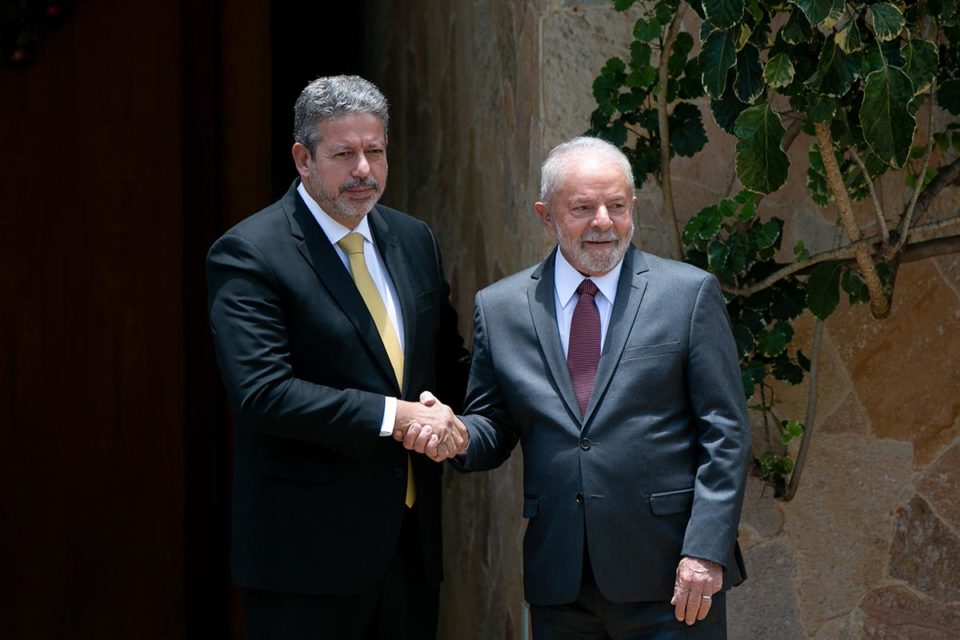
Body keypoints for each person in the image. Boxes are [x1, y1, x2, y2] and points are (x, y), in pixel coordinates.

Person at [408, 136, 750, 638]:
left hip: (672, 577)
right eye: (583, 208)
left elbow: (726, 432)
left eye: (617, 206)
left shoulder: (688, 294)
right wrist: (455, 433)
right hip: (560, 582)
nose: (603, 223)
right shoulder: (501, 308)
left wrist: (704, 549)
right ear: (547, 217)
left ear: (633, 206)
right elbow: (494, 424)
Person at [206, 75, 469, 639]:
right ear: (303, 158)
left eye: (375, 151)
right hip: (304, 561)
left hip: (409, 552)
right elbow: (263, 393)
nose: (364, 171)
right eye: (344, 154)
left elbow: (448, 366)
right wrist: (395, 416)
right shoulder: (250, 253)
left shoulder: (414, 239)